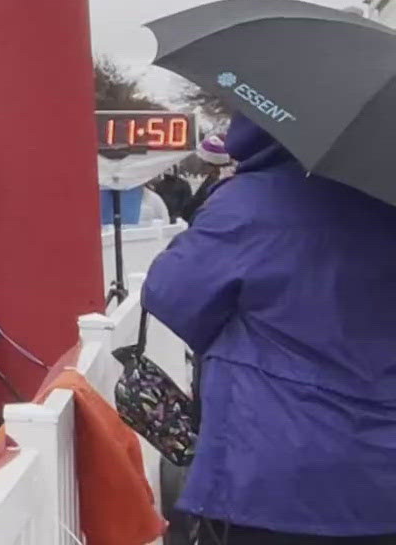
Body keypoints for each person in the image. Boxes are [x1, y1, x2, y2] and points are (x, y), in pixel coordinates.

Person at [143, 116, 396, 544]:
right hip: (380, 473)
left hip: (267, 467)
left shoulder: (253, 201)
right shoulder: (385, 199)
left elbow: (171, 295)